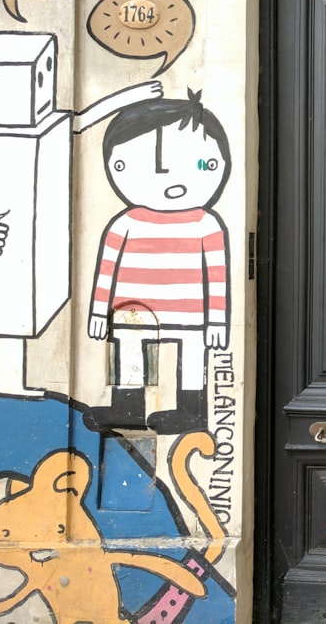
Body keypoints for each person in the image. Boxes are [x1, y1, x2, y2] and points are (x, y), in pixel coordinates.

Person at [86, 89, 231, 434]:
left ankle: (193, 409)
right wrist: (97, 312)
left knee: (193, 357)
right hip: (132, 310)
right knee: (130, 353)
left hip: (191, 312)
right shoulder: (124, 223)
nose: (173, 183)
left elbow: (218, 275)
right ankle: (128, 406)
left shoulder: (206, 224)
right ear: (116, 166)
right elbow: (106, 269)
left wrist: (217, 322)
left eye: (202, 165)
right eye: (155, 167)